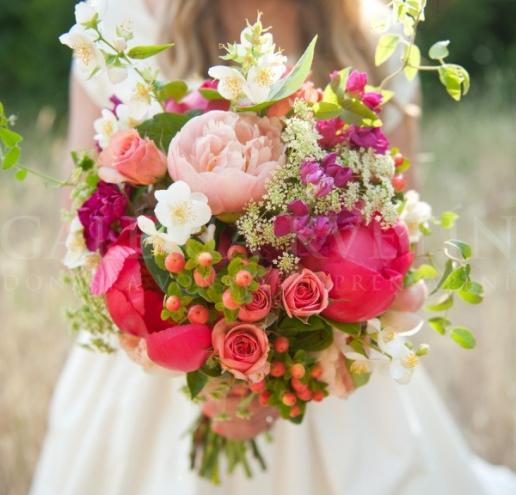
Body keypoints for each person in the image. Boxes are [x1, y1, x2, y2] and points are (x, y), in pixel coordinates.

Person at [30, 0, 516, 494]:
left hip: (322, 362)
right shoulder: (116, 25)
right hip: (155, 360)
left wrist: (281, 360)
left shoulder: (379, 38)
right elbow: (89, 221)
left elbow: (395, 228)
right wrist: (212, 362)